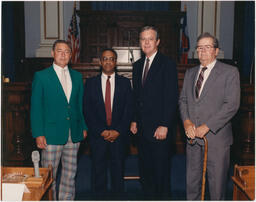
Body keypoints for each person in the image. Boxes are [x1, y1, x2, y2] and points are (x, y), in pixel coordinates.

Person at [179, 32, 240, 200]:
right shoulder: (190, 73)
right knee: (192, 184)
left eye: (207, 47)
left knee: (216, 186)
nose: (202, 52)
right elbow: (183, 100)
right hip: (192, 139)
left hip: (216, 139)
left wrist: (207, 127)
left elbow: (231, 105)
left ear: (216, 51)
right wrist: (186, 122)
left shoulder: (230, 72)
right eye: (199, 48)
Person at [30, 40, 87, 200]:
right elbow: (36, 108)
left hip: (74, 133)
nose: (63, 54)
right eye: (60, 51)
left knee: (70, 174)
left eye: (67, 51)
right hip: (51, 134)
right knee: (49, 175)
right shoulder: (41, 76)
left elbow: (79, 105)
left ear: (71, 54)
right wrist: (38, 133)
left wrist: (83, 126)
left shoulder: (77, 76)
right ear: (53, 53)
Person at [130, 26, 179, 199]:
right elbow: (137, 97)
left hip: (160, 129)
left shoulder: (167, 64)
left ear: (158, 42)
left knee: (161, 172)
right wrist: (134, 120)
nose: (146, 42)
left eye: (150, 39)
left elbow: (171, 97)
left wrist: (165, 124)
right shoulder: (137, 66)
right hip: (142, 130)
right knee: (146, 170)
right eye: (143, 39)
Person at [83, 48, 132, 198]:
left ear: (115, 62)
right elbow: (87, 110)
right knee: (98, 172)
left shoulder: (125, 83)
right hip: (98, 136)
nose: (108, 61)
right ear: (100, 62)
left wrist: (118, 131)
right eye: (105, 59)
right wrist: (101, 131)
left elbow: (129, 110)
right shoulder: (91, 83)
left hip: (119, 136)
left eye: (111, 59)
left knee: (118, 172)